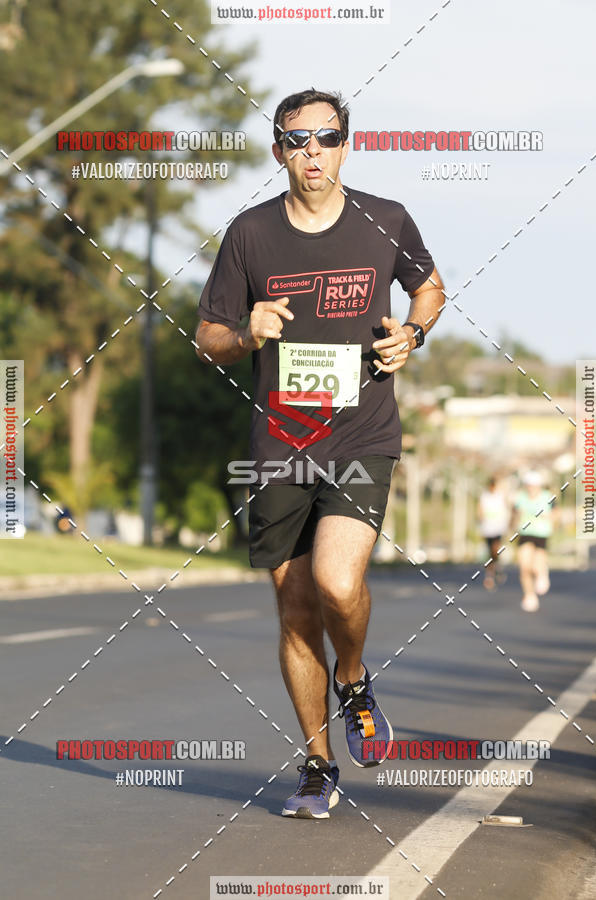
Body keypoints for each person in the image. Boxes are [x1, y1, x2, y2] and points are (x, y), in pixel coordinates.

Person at [195, 89, 444, 818]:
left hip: (361, 434)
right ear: (278, 152)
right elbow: (207, 337)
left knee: (337, 583)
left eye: (326, 138)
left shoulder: (385, 220)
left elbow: (427, 288)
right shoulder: (248, 234)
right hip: (278, 445)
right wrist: (246, 331)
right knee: (295, 605)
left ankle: (356, 679)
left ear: (346, 146)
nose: (312, 152)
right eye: (296, 140)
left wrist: (412, 334)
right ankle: (316, 762)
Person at [512, 471, 554, 612]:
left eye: (534, 485)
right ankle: (529, 596)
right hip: (525, 533)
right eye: (529, 485)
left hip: (541, 534)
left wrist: (549, 518)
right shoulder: (520, 497)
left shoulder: (547, 497)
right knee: (524, 567)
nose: (531, 488)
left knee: (536, 566)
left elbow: (556, 513)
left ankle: (542, 572)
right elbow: (514, 513)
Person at [477, 477, 509, 590]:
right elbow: (480, 510)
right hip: (487, 528)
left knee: (495, 550)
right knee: (489, 552)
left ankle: (497, 567)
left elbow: (506, 508)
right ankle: (490, 574)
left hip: (498, 528)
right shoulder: (484, 496)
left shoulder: (500, 496)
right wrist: (481, 521)